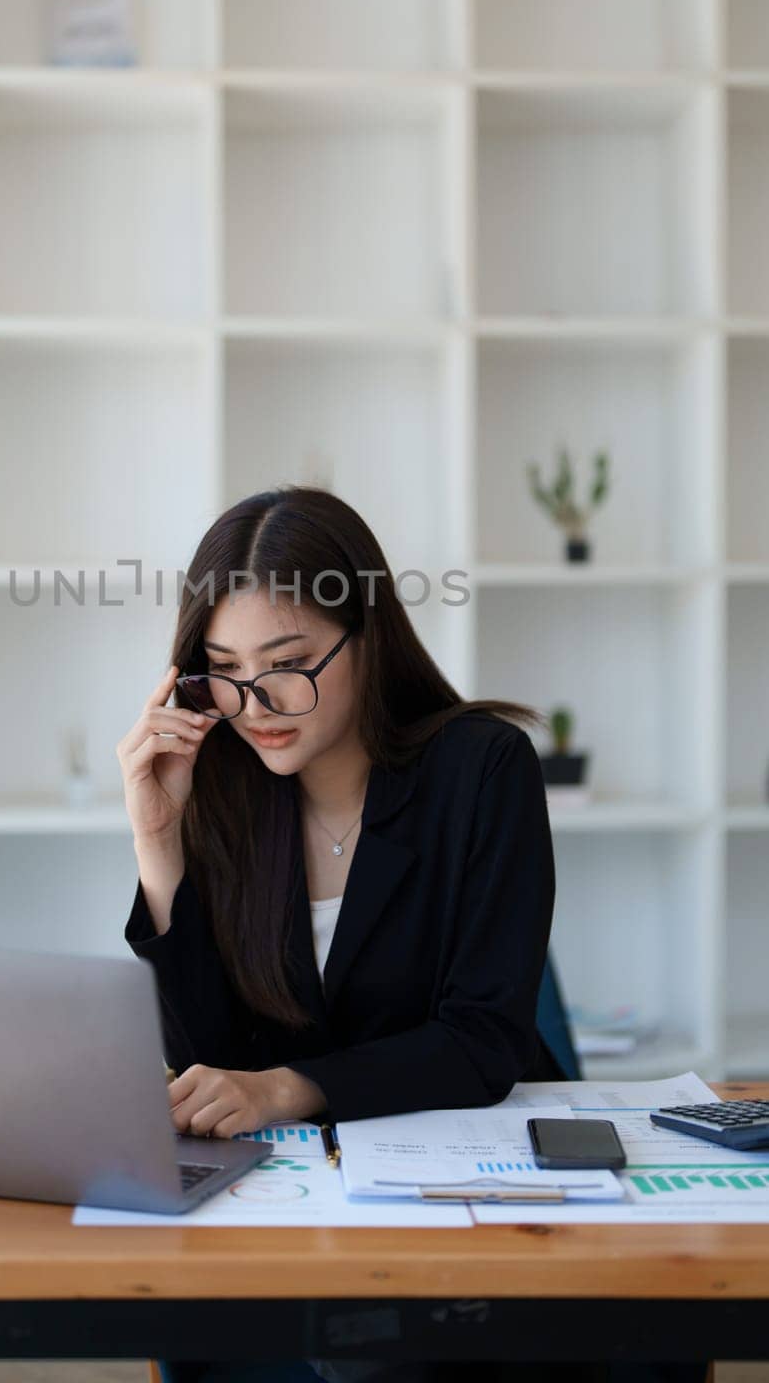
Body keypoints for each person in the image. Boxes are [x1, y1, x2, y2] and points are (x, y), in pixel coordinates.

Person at [116, 486, 708, 1383]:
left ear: (368, 636)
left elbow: (482, 1040)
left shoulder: (480, 770)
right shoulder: (219, 787)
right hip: (297, 1210)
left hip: (478, 1194)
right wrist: (158, 844)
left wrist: (287, 1088)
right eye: (223, 668)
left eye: (290, 661)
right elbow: (207, 1059)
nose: (255, 701)